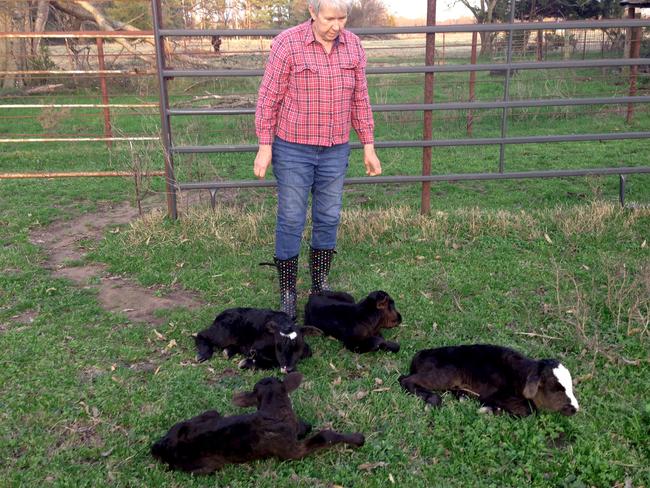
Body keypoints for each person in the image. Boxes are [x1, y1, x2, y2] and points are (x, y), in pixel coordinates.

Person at [254, 0, 382, 320]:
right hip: (293, 148)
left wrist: (368, 145)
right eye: (329, 18)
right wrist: (265, 146)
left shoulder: (353, 46)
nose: (336, 25)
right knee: (292, 217)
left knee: (328, 216)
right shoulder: (288, 43)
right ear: (313, 12)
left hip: (335, 148)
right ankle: (287, 292)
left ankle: (319, 288)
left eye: (342, 18)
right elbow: (269, 98)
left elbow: (360, 99)